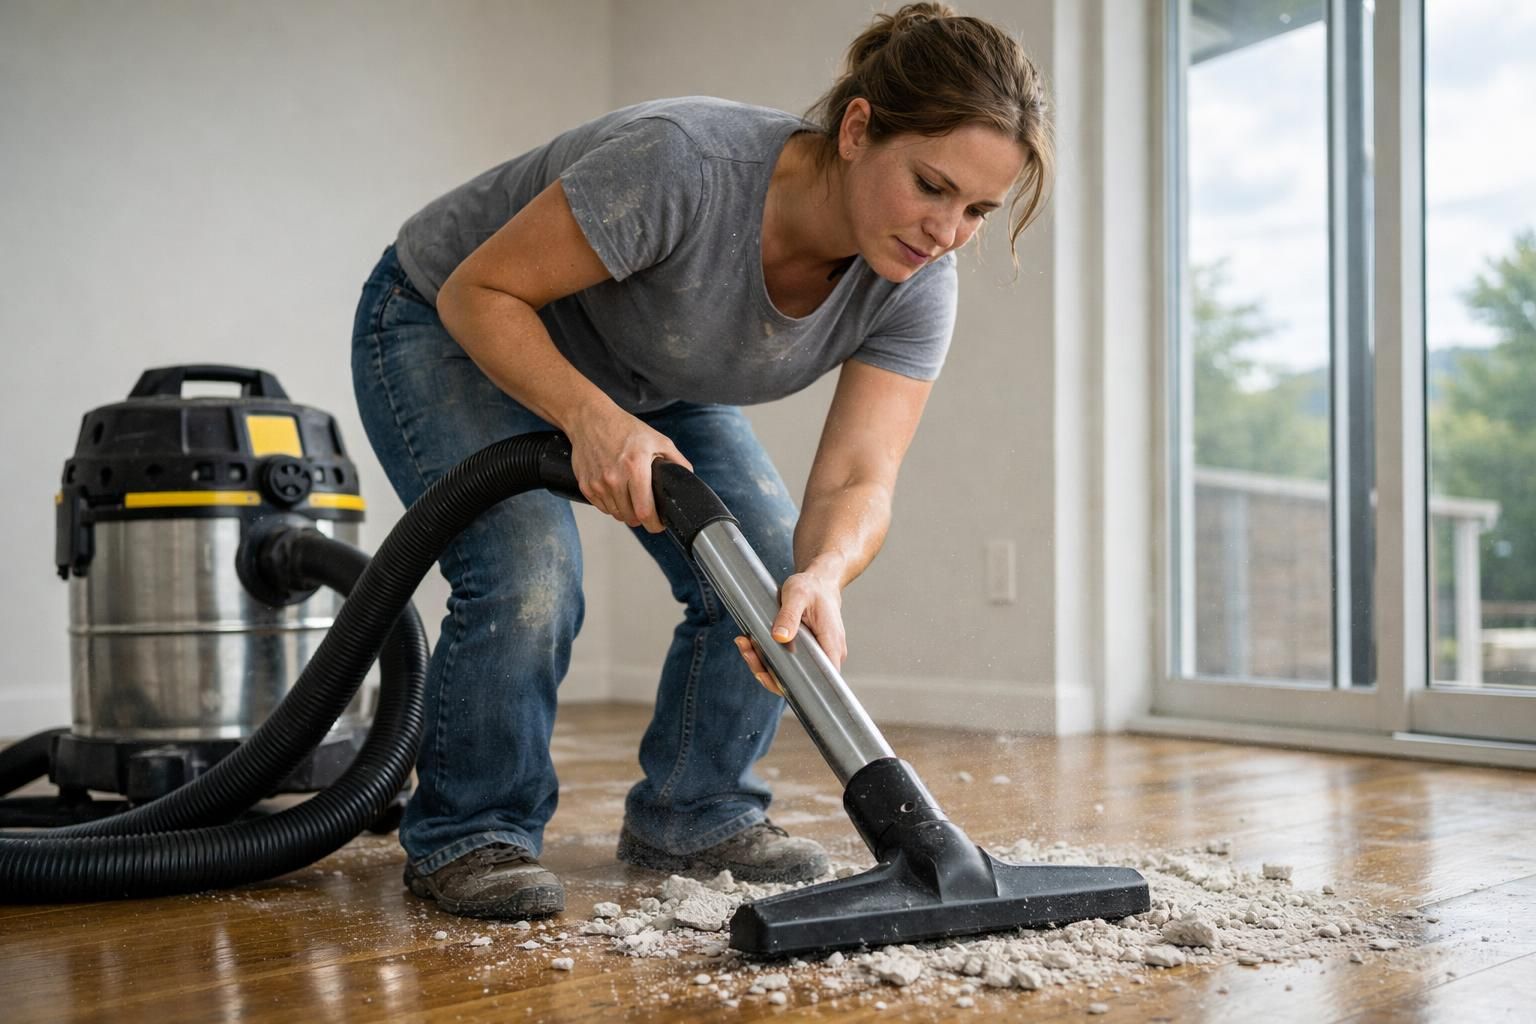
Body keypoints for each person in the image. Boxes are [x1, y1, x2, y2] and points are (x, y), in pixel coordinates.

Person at [350, 1, 1053, 920]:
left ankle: (696, 810)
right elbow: (482, 293)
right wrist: (590, 420)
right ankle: (472, 830)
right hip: (448, 320)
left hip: (651, 368)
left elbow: (857, 479)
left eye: (977, 211)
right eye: (930, 185)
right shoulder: (685, 165)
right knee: (530, 571)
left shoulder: (916, 283)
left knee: (759, 568)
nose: (945, 231)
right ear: (855, 129)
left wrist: (826, 574)